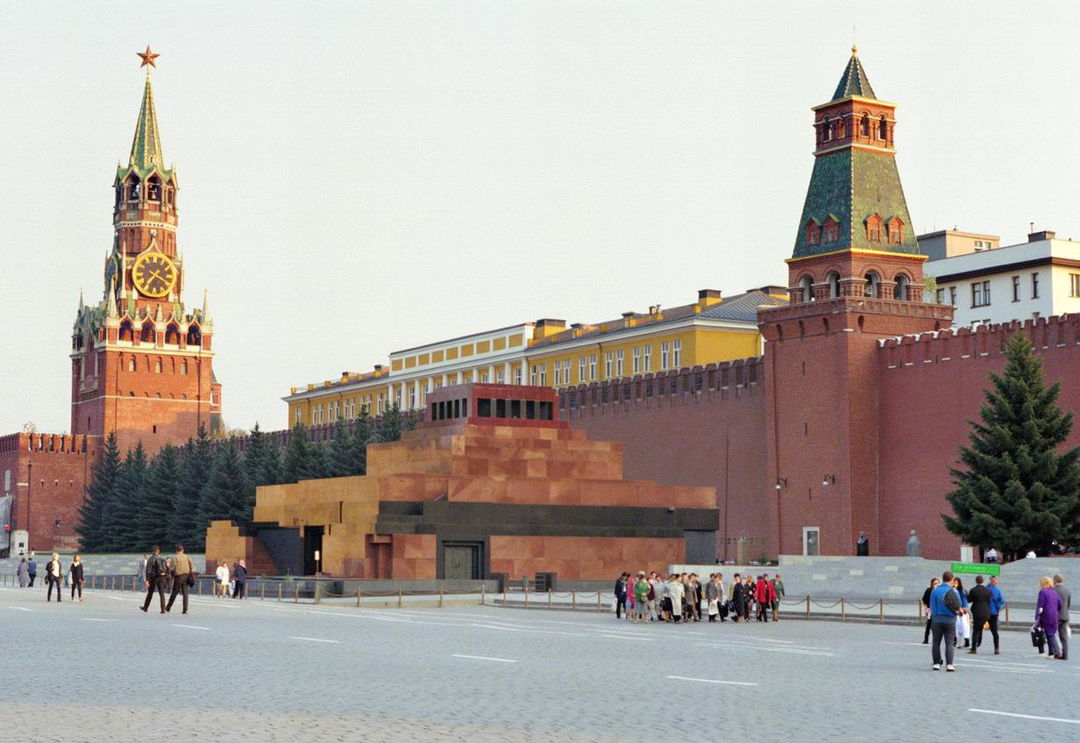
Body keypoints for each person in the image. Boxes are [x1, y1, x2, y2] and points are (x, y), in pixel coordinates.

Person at [928, 570, 962, 671]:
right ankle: (949, 664)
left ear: (942, 579)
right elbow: (958, 604)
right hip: (950, 619)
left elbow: (932, 605)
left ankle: (936, 663)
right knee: (949, 643)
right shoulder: (954, 591)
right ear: (952, 580)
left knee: (936, 642)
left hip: (937, 619)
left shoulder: (935, 591)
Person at [1034, 576, 1063, 659]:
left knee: (1046, 634)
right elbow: (1060, 605)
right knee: (1051, 634)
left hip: (1046, 616)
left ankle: (1054, 651)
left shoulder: (1043, 592)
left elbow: (1040, 606)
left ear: (1046, 584)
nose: (1041, 586)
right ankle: (1051, 652)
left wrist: (1037, 618)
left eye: (1042, 584)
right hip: (1054, 616)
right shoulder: (1054, 592)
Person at [966, 575, 992, 654]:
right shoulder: (987, 591)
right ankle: (979, 642)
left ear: (976, 581)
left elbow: (969, 600)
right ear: (983, 581)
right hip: (986, 611)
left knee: (976, 629)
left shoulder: (973, 590)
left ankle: (974, 648)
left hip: (977, 611)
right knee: (980, 628)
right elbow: (989, 600)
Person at [165, 545, 194, 615]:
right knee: (185, 593)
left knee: (174, 592)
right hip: (186, 576)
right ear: (183, 550)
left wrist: (172, 574)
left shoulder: (175, 558)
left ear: (176, 551)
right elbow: (191, 566)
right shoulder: (187, 557)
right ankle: (185, 609)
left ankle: (168, 607)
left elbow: (172, 568)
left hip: (178, 577)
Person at [140, 545, 169, 614]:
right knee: (162, 593)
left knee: (150, 593)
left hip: (154, 578)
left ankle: (145, 607)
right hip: (161, 577)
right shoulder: (162, 559)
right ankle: (162, 609)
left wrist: (147, 580)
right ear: (158, 551)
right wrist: (165, 574)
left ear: (152, 551)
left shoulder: (150, 559)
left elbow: (148, 571)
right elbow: (167, 569)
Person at [1053, 575, 1070, 661]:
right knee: (1064, 637)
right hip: (1065, 616)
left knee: (1053, 634)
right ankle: (1065, 654)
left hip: (1056, 616)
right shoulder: (1067, 591)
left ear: (1055, 581)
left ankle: (1057, 653)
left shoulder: (1053, 591)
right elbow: (1068, 605)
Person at [987, 576, 1005, 654]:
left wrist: (998, 608)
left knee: (994, 631)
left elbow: (1002, 601)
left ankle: (996, 647)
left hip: (993, 612)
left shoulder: (997, 590)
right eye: (992, 580)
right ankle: (976, 644)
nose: (993, 582)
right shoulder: (987, 589)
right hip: (987, 612)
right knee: (978, 628)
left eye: (995, 581)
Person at [921, 577, 941, 644]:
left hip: (938, 610)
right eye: (935, 583)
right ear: (932, 584)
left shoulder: (940, 590)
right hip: (931, 609)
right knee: (929, 625)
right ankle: (926, 639)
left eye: (937, 583)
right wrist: (926, 607)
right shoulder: (929, 590)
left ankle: (936, 639)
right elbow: (924, 599)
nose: (936, 585)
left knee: (937, 625)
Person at [953, 577, 971, 648]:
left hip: (963, 609)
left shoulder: (962, 591)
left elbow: (966, 600)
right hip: (958, 609)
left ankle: (966, 641)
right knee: (958, 625)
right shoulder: (955, 590)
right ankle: (956, 640)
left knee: (964, 626)